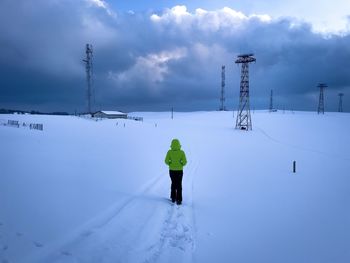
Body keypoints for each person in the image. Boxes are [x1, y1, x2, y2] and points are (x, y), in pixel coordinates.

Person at [164, 139, 187, 205]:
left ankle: (173, 198)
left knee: (173, 183)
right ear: (179, 144)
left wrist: (170, 163)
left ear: (172, 144)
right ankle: (179, 199)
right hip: (179, 171)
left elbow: (166, 161)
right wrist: (180, 163)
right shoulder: (182, 152)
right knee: (179, 184)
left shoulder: (169, 152)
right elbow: (185, 162)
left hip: (172, 171)